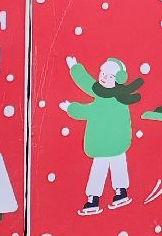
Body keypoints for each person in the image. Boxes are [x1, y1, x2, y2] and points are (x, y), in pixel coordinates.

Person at [60, 56, 143, 216]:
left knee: (104, 167)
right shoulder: (106, 92)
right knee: (112, 166)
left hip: (109, 142)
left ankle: (96, 198)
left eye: (110, 76)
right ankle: (114, 193)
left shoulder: (116, 98)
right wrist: (75, 67)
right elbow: (87, 83)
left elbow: (90, 111)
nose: (104, 78)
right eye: (102, 73)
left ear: (118, 79)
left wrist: (71, 108)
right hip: (112, 142)